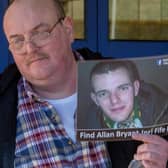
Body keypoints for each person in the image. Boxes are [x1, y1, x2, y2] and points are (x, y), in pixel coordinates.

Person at [0, 0, 167, 167]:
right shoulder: (4, 107)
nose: (30, 48)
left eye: (41, 33)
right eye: (18, 41)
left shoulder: (150, 99)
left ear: (68, 29)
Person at [89, 60, 168, 129]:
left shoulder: (162, 111)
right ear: (95, 100)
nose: (114, 100)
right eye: (103, 94)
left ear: (136, 88)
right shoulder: (90, 124)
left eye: (123, 88)